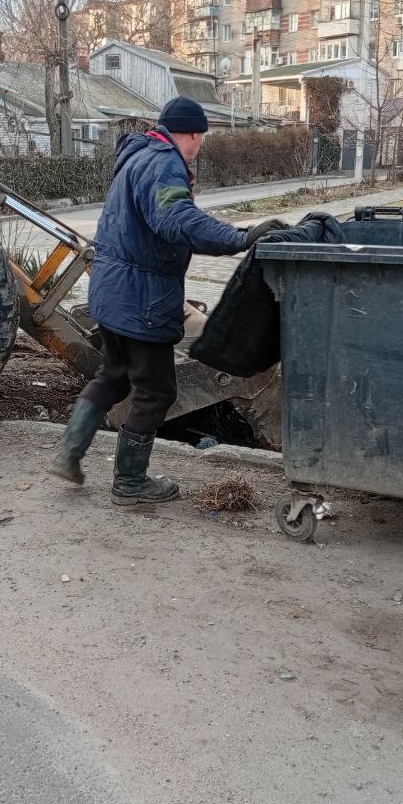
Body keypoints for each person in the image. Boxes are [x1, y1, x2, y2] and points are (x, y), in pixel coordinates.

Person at [47, 97, 268, 504]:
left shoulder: (137, 158)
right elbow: (176, 219)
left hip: (113, 294)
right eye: (198, 136)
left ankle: (68, 453)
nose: (198, 145)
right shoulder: (164, 162)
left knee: (113, 376)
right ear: (190, 133)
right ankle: (130, 482)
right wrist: (240, 237)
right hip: (141, 301)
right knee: (156, 391)